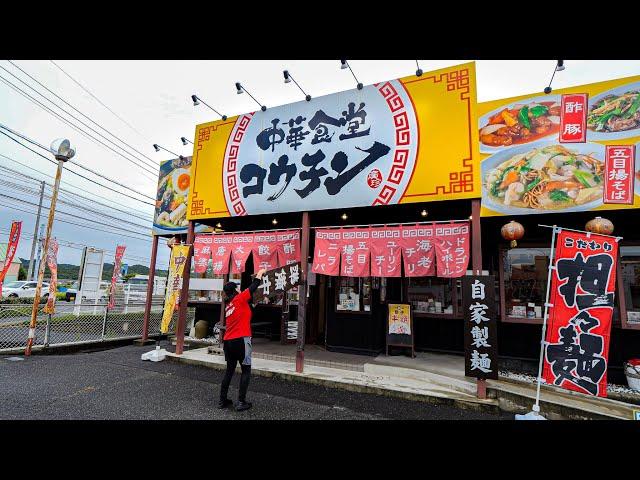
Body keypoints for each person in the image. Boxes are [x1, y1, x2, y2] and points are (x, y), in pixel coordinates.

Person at [218, 268, 267, 411]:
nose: (240, 289)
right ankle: (241, 402)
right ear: (235, 291)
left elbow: (247, 309)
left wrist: (258, 301)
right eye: (238, 288)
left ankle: (222, 400)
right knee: (246, 370)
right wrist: (260, 273)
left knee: (229, 371)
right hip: (242, 341)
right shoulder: (239, 298)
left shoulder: (229, 305)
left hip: (228, 342)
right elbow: (253, 286)